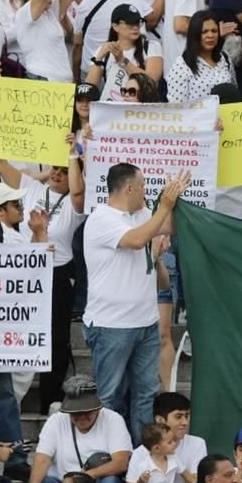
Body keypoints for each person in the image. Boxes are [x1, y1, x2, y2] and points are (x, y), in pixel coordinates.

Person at [82, 164, 191, 441]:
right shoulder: (101, 218)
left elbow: (169, 226)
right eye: (143, 186)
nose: (146, 191)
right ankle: (106, 458)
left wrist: (177, 199)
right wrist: (165, 204)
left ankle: (144, 457)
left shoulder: (142, 214)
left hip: (145, 322)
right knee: (109, 397)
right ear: (129, 188)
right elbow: (137, 239)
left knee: (145, 395)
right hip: (111, 326)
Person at [0, 137, 85, 413]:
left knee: (56, 336)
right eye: (54, 168)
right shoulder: (32, 188)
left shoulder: (72, 205)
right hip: (25, 270)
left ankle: (51, 398)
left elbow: (78, 193)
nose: (56, 173)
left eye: (63, 172)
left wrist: (71, 156)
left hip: (58, 274)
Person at [28, 376, 132, 483]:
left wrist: (85, 477)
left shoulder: (113, 419)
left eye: (87, 412)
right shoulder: (55, 421)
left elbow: (120, 463)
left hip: (97, 482)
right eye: (76, 413)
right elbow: (42, 459)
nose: (82, 417)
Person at [72, 0, 152, 79]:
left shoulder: (86, 4)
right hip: (125, 70)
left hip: (92, 71)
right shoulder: (135, 4)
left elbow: (78, 45)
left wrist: (76, 80)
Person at [85, 4, 164, 102]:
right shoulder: (104, 51)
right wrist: (99, 58)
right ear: (115, 26)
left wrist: (122, 60)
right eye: (130, 23)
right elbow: (89, 89)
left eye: (138, 22)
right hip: (114, 110)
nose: (135, 27)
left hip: (142, 109)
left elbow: (151, 81)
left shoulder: (151, 47)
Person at [166, 11, 234, 102]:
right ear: (195, 34)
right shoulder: (182, 65)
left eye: (214, 31)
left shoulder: (225, 59)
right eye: (204, 32)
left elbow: (233, 91)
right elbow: (177, 108)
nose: (210, 36)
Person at [124, 422, 194, 483]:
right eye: (170, 442)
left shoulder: (173, 458)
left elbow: (188, 475)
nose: (174, 444)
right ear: (157, 448)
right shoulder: (144, 466)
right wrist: (141, 481)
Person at [152, 392, 207, 482]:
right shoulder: (141, 452)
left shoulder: (197, 444)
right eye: (178, 417)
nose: (185, 422)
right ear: (160, 420)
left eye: (186, 416)